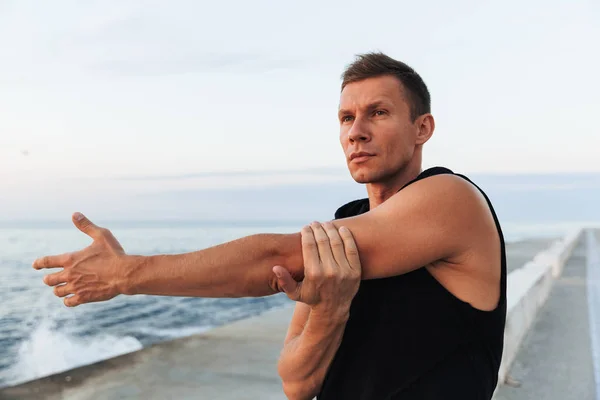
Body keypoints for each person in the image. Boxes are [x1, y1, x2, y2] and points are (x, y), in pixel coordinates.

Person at [33, 52, 506, 399]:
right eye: (346, 117)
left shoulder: (451, 198)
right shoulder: (345, 222)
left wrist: (127, 273)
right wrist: (329, 310)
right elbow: (296, 382)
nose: (355, 130)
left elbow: (273, 260)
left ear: (422, 128)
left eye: (377, 113)